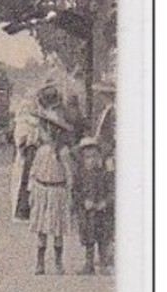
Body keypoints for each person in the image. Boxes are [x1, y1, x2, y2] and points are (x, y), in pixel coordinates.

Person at [27, 86, 78, 274]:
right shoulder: (41, 151)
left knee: (57, 229)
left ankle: (58, 262)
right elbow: (34, 171)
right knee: (41, 228)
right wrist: (31, 188)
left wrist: (70, 193)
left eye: (45, 129)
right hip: (42, 190)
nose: (42, 132)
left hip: (57, 191)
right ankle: (40, 262)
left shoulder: (62, 152)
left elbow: (70, 175)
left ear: (53, 131)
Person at [73, 136, 115, 275]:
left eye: (93, 156)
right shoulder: (80, 174)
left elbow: (112, 191)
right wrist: (83, 201)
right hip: (87, 212)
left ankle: (103, 263)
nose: (90, 160)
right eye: (87, 157)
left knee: (102, 236)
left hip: (102, 212)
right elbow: (75, 191)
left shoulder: (104, 174)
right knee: (88, 237)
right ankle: (89, 263)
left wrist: (105, 202)